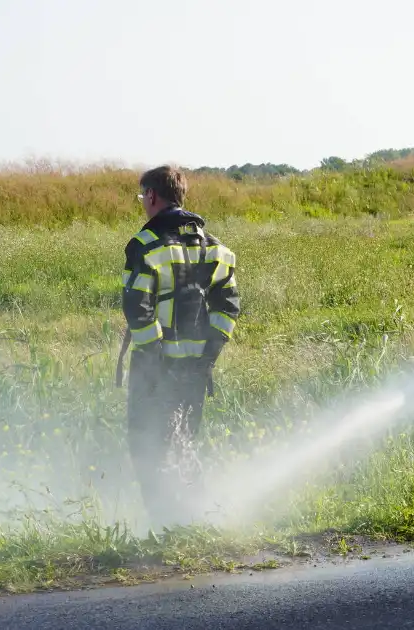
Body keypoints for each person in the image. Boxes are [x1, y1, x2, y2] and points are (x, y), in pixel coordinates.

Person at [116, 165, 241, 527]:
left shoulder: (145, 244)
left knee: (147, 446)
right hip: (195, 371)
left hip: (156, 370)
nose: (142, 203)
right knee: (183, 442)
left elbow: (137, 307)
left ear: (152, 196)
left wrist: (154, 358)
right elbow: (228, 308)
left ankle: (164, 525)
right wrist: (207, 358)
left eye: (142, 197)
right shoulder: (215, 249)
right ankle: (195, 518)